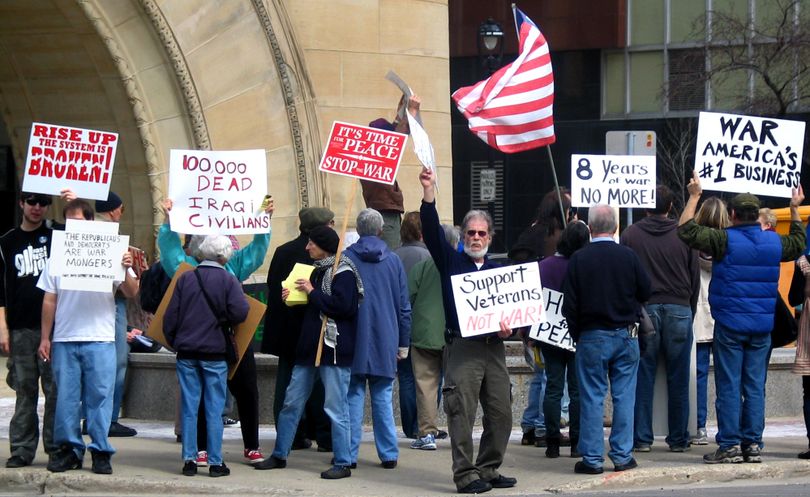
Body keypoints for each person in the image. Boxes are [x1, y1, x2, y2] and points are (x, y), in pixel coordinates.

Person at [678, 170, 805, 464]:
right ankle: (753, 445)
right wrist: (795, 208)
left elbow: (685, 230)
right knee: (754, 385)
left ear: (732, 214)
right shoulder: (774, 243)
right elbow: (798, 242)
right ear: (755, 214)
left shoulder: (724, 240)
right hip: (762, 327)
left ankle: (731, 445)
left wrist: (695, 196)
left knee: (729, 385)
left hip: (730, 326)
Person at [419, 167, 515, 494]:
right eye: (470, 233)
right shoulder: (451, 263)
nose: (475, 237)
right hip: (463, 348)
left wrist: (509, 330)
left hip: (494, 348)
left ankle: (488, 469)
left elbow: (514, 311)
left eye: (481, 233)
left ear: (490, 237)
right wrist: (429, 191)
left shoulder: (499, 272)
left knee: (502, 413)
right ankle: (465, 475)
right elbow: (431, 231)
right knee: (461, 412)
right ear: (463, 237)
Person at [159, 198, 273, 465]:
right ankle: (203, 450)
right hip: (217, 341)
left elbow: (257, 250)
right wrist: (168, 222)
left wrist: (263, 221)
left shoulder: (233, 266)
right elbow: (169, 250)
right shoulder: (185, 267)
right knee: (205, 398)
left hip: (228, 342)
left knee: (245, 390)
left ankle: (248, 445)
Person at [38, 199, 139, 475]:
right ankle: (70, 450)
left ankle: (100, 451)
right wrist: (45, 337)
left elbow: (131, 291)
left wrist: (126, 266)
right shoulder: (58, 253)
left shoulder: (112, 249)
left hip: (100, 337)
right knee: (66, 399)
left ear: (91, 221)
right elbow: (50, 299)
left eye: (79, 221)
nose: (74, 227)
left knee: (100, 398)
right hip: (65, 337)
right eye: (69, 222)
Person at [254, 226, 362, 479]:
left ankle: (343, 461)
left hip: (333, 350)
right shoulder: (317, 271)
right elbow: (312, 312)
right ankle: (280, 454)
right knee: (292, 402)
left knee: (336, 407)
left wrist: (312, 292)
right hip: (309, 348)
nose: (307, 246)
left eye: (312, 242)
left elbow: (344, 308)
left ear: (323, 245)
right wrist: (292, 298)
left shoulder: (343, 272)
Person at [563, 204, 651, 474]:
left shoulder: (578, 259)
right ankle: (622, 456)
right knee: (625, 396)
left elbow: (570, 305)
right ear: (615, 228)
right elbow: (646, 290)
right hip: (626, 334)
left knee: (592, 397)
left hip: (591, 335)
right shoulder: (628, 256)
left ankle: (592, 459)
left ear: (590, 229)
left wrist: (579, 333)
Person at [620, 185, 699, 453]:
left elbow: (626, 277)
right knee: (679, 377)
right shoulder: (684, 233)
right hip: (680, 308)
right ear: (670, 208)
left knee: (643, 375)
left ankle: (642, 439)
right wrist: (689, 309)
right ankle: (678, 439)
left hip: (645, 311)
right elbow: (694, 276)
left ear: (645, 207)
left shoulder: (630, 234)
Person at [164, 235, 250, 478]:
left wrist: (176, 342)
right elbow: (241, 312)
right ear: (223, 256)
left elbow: (171, 316)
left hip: (187, 352)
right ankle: (215, 462)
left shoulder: (186, 278)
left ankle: (189, 459)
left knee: (190, 407)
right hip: (214, 352)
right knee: (214, 408)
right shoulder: (228, 279)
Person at [261, 207, 335, 452]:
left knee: (288, 384)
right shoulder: (323, 256)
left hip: (287, 331)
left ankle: (291, 435)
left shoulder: (284, 252)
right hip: (311, 329)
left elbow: (273, 286)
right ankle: (322, 435)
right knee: (318, 385)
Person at [346, 208, 412, 468]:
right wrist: (403, 342)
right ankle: (388, 454)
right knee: (383, 398)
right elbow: (403, 306)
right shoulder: (393, 261)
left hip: (354, 336)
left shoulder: (347, 259)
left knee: (352, 397)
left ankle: (349, 454)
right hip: (386, 337)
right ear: (380, 230)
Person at [1, 192, 58, 468]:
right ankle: (22, 449)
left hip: (56, 328)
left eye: (43, 202)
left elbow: (89, 232)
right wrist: (3, 329)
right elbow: (1, 292)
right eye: (31, 201)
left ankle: (56, 447)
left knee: (55, 389)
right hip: (21, 328)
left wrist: (73, 199)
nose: (37, 207)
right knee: (25, 391)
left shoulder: (58, 234)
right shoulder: (7, 242)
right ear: (21, 203)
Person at [538, 221, 590, 459]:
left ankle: (552, 442)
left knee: (553, 388)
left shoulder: (544, 266)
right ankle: (577, 442)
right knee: (577, 390)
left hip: (549, 335)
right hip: (578, 334)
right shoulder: (583, 265)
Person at [408, 224, 458, 451]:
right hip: (454, 334)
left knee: (425, 385)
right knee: (456, 385)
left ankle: (427, 433)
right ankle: (458, 430)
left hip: (424, 333)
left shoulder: (422, 267)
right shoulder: (461, 266)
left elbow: (408, 297)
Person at [94, 191, 137, 437]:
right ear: (114, 210)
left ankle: (91, 416)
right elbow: (129, 290)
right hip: (111, 303)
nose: (121, 214)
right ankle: (108, 418)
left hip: (88, 307)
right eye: (121, 209)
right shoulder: (111, 238)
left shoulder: (83, 232)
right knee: (116, 362)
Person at [691, 197, 731, 446]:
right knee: (727, 376)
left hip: (698, 314)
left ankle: (698, 426)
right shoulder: (730, 244)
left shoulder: (690, 243)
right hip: (725, 314)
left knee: (699, 374)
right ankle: (729, 429)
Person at [360, 95, 421, 249]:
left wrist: (402, 110)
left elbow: (396, 130)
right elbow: (398, 136)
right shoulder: (378, 159)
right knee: (391, 255)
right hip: (386, 217)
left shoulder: (368, 157)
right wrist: (412, 111)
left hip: (383, 213)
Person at [393, 211, 432, 439]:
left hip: (399, 324)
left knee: (406, 377)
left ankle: (411, 427)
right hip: (424, 324)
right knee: (429, 376)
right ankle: (426, 423)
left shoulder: (392, 255)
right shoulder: (429, 257)